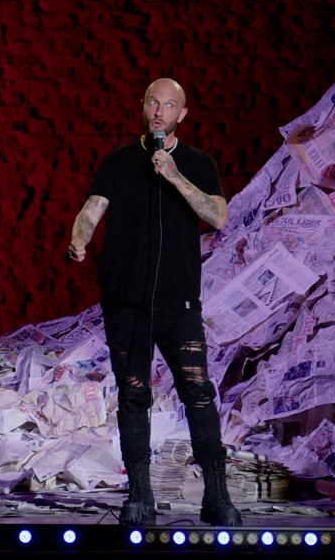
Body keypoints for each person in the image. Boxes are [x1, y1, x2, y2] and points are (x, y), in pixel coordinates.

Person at [68, 77, 241, 527]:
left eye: (169, 105)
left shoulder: (197, 163)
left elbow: (218, 217)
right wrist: (79, 238)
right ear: (143, 107)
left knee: (198, 392)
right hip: (127, 302)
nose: (159, 111)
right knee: (133, 394)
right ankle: (140, 495)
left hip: (178, 303)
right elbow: (92, 208)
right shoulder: (119, 161)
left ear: (182, 114)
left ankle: (217, 497)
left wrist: (174, 175)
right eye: (152, 102)